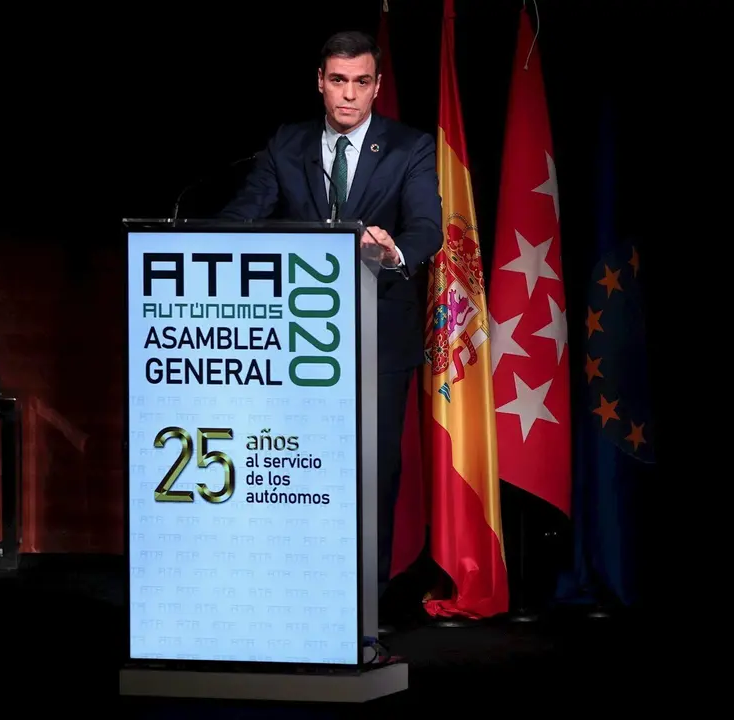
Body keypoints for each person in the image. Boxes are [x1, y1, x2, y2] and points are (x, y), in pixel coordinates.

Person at [219, 30, 443, 618]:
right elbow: (242, 219)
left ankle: (361, 615)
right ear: (320, 81)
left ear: (376, 87)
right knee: (294, 468)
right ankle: (295, 603)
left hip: (377, 338)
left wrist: (392, 250)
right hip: (296, 338)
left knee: (371, 472)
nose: (349, 95)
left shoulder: (409, 147)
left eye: (361, 83)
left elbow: (427, 228)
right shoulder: (286, 144)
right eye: (338, 81)